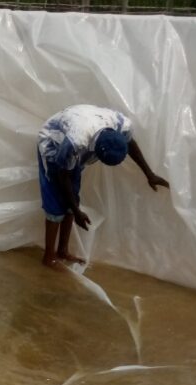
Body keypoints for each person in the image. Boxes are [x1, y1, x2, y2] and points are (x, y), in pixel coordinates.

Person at [37, 104, 169, 268]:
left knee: (72, 200)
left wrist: (149, 174)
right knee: (56, 200)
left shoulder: (123, 126)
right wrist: (77, 212)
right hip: (53, 142)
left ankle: (62, 251)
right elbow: (63, 176)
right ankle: (49, 256)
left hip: (78, 132)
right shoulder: (76, 141)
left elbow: (131, 145)